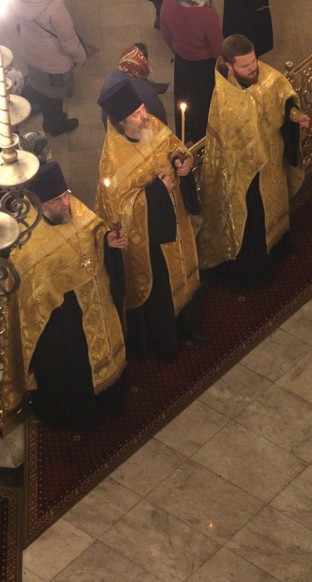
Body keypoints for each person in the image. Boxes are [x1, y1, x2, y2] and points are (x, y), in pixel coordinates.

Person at [0, 162, 126, 428]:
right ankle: (81, 416)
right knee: (73, 368)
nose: (65, 203)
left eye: (65, 195)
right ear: (41, 204)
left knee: (105, 349)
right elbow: (28, 289)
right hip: (60, 320)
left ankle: (110, 399)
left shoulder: (74, 208)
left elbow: (94, 230)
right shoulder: (28, 240)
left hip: (95, 300)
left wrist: (107, 241)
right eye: (57, 201)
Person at [96, 79, 206, 362]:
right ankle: (168, 340)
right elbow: (120, 209)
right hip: (151, 238)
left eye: (143, 108)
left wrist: (181, 161)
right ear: (122, 123)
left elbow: (175, 147)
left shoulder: (153, 125)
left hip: (177, 218)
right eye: (137, 115)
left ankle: (190, 325)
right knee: (163, 287)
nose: (145, 116)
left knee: (185, 270)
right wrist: (157, 191)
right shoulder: (113, 160)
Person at [197, 34, 310, 289]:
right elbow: (226, 143)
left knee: (277, 202)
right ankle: (259, 271)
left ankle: (279, 248)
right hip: (248, 173)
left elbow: (283, 100)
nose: (253, 68)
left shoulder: (267, 76)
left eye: (254, 60)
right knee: (256, 219)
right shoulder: (224, 98)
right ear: (230, 66)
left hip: (273, 159)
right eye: (245, 65)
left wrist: (295, 116)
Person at [9, 0, 86, 136]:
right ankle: (55, 125)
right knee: (54, 95)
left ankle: (29, 104)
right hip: (53, 60)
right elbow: (68, 40)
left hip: (31, 51)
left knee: (38, 84)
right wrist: (81, 57)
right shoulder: (54, 6)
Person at [160, 0, 223, 144]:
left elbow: (166, 35)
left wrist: (178, 51)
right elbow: (218, 50)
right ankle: (202, 140)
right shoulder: (207, 15)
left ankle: (186, 135)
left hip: (182, 64)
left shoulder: (168, 4)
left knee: (185, 101)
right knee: (203, 105)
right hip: (204, 68)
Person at [100, 44, 169, 128]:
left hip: (115, 132)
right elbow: (161, 127)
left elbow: (105, 117)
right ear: (143, 64)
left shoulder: (110, 80)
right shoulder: (148, 97)